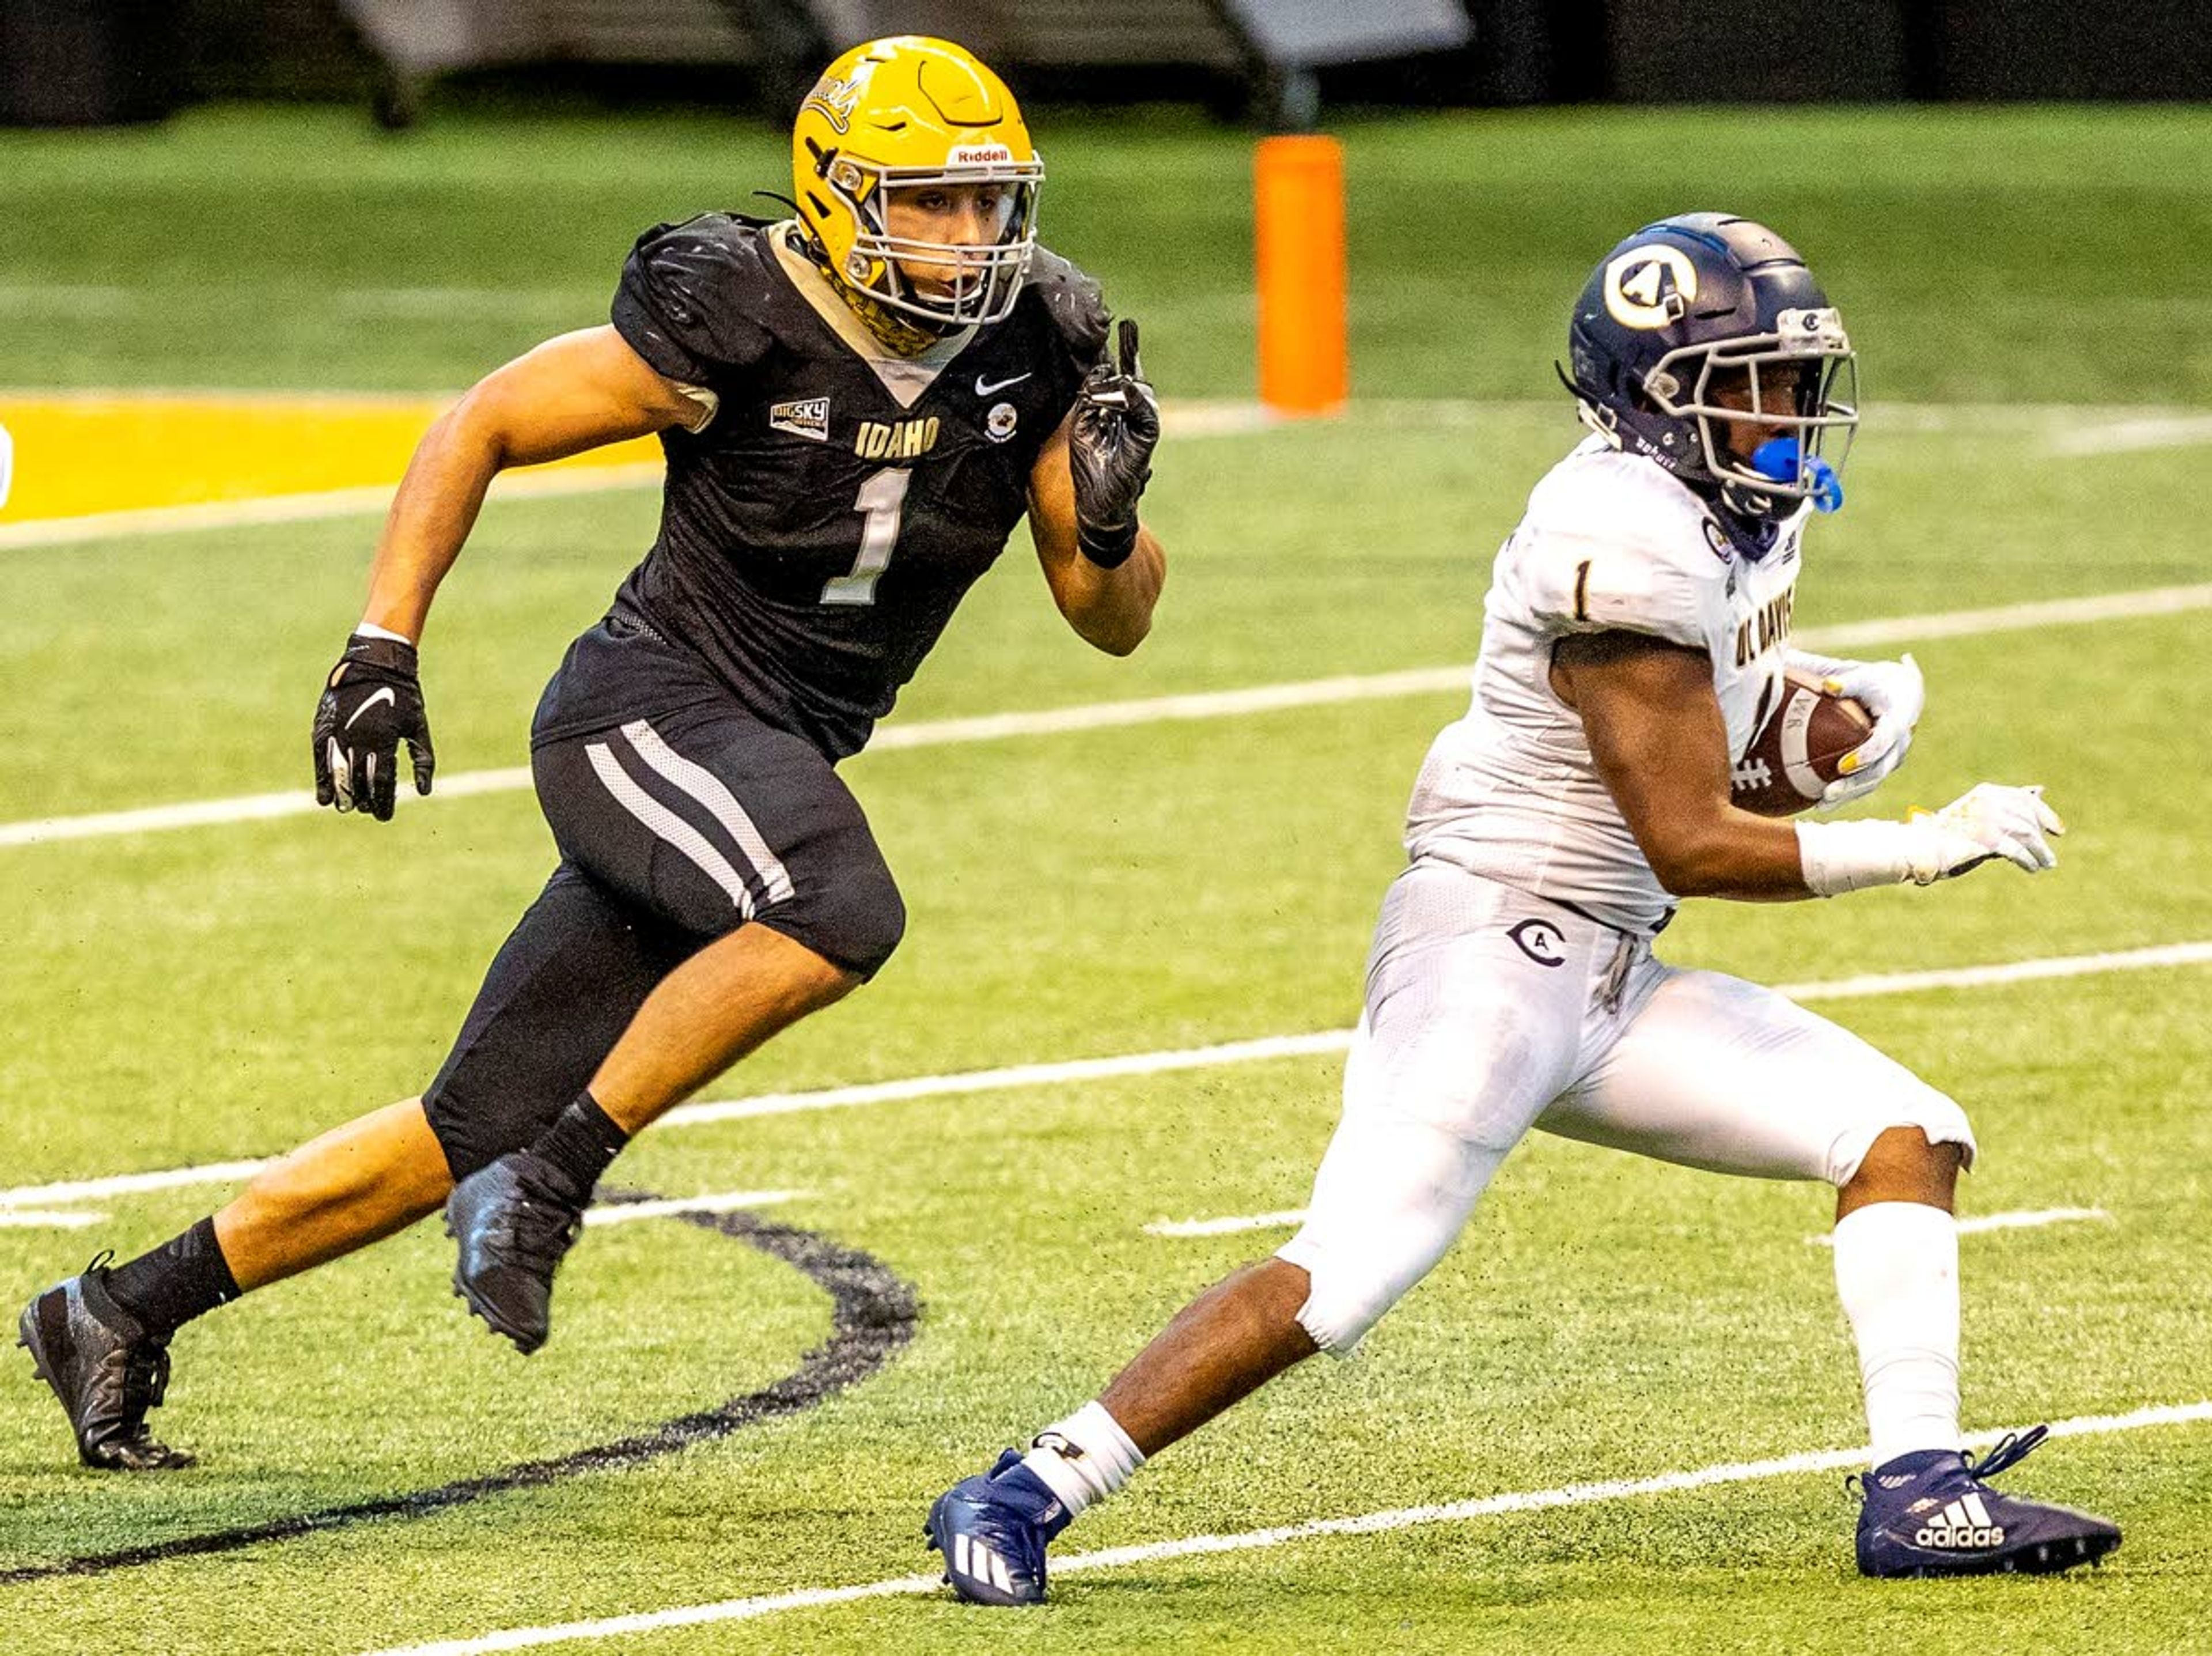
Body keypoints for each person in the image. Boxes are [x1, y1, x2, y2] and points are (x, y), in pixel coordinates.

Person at [925, 212, 2119, 1600]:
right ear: (1655, 394)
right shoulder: (1615, 533)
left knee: (1907, 1136)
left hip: (1609, 966)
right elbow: (1688, 839)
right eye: (1754, 381)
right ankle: (1027, 1486)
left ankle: (1921, 1491)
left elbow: (1701, 755)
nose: (1787, 412)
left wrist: (1824, 729)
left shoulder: (1729, 515)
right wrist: (1919, 843)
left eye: (1796, 381)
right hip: (1493, 949)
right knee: (1348, 1272)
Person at [18, 34, 1163, 1472]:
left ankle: (116, 1310)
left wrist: (1115, 526)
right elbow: (485, 419)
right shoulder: (740, 311)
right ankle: (551, 1182)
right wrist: (381, 644)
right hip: (646, 713)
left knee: (458, 1118)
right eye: (928, 201)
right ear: (836, 196)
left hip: (757, 756)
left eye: (990, 203)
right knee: (837, 905)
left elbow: (1105, 620)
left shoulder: (1038, 341)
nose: (969, 236)